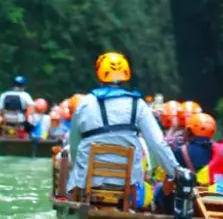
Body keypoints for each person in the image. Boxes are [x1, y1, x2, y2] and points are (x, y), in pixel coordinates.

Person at [67, 51, 179, 209]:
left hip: (86, 180)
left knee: (73, 181)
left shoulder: (84, 104)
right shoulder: (138, 104)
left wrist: (75, 167)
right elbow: (157, 143)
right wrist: (174, 172)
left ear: (99, 74)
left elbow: (74, 145)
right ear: (125, 74)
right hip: (127, 185)